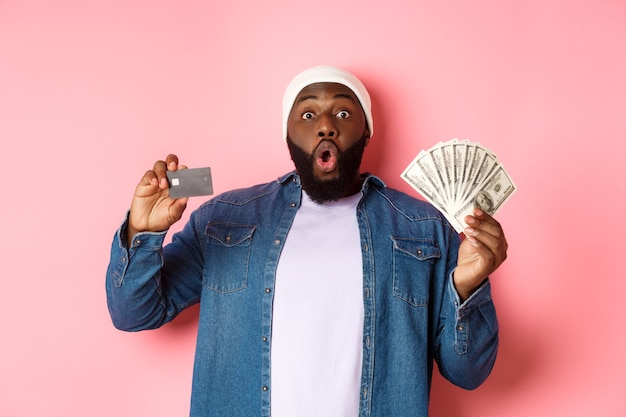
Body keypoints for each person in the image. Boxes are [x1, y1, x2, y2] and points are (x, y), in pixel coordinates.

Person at [106, 65, 508, 417]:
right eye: (308, 113)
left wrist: (468, 286)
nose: (326, 124)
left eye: (344, 112)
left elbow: (469, 372)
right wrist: (143, 233)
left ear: (366, 130)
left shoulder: (424, 227)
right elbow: (133, 313)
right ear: (288, 134)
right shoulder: (225, 218)